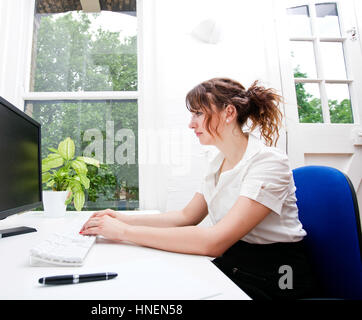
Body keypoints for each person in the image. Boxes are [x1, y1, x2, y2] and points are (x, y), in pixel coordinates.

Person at [80, 77, 320, 300]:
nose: (190, 123)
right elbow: (186, 216)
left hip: (278, 276)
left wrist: (123, 232)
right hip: (237, 263)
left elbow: (213, 242)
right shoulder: (216, 162)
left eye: (197, 113)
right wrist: (122, 219)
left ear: (229, 112)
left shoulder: (268, 162)